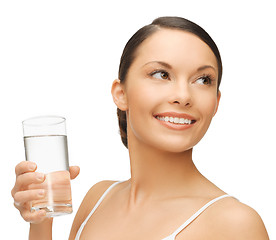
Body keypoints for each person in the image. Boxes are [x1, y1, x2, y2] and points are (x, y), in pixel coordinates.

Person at [11, 16, 269, 239]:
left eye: (203, 79)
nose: (183, 95)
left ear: (216, 103)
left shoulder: (234, 223)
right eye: (161, 74)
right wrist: (41, 222)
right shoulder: (97, 199)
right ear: (120, 93)